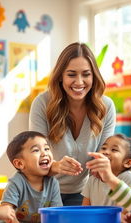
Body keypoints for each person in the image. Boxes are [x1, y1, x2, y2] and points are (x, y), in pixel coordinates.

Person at [29, 42, 116, 206]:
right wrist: (55, 166)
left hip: (82, 194)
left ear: (94, 76)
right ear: (61, 76)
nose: (79, 82)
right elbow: (34, 157)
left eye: (86, 74)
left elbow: (105, 155)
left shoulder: (106, 106)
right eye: (71, 74)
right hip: (42, 191)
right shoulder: (42, 103)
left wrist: (103, 165)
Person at [0, 131, 62, 223]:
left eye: (47, 148)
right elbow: (7, 210)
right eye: (36, 150)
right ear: (20, 164)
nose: (44, 153)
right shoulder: (16, 183)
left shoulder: (53, 183)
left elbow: (57, 213)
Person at [81, 134, 131, 206]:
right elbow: (85, 209)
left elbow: (127, 209)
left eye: (114, 150)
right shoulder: (92, 179)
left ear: (128, 162)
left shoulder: (128, 178)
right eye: (103, 148)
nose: (105, 152)